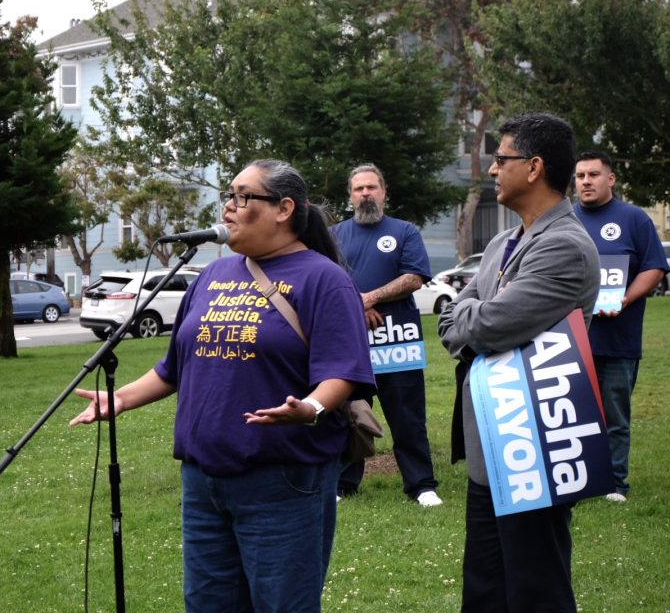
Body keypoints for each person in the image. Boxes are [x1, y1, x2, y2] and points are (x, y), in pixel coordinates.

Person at [71, 159, 375, 612]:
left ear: (284, 208)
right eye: (228, 196)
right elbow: (174, 367)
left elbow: (343, 373)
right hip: (203, 482)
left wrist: (309, 408)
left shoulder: (324, 280)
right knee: (208, 603)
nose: (229, 207)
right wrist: (120, 399)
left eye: (243, 196)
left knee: (282, 605)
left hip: (282, 479)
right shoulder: (212, 276)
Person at [438, 113, 600, 612]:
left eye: (500, 159)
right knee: (485, 588)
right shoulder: (502, 244)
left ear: (533, 168)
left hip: (537, 445)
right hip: (496, 442)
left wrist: (474, 313)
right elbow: (450, 320)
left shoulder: (565, 247)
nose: (491, 169)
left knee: (535, 589)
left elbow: (483, 326)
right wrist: (473, 313)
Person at [331, 163, 442, 507]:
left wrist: (371, 297)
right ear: (350, 196)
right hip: (351, 341)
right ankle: (343, 485)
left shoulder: (405, 231)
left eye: (371, 188)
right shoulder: (334, 234)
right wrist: (357, 305)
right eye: (358, 189)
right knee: (349, 413)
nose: (365, 193)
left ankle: (421, 485)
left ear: (384, 192)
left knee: (408, 415)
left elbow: (414, 278)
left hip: (397, 341)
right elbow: (326, 280)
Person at [573, 150, 668, 502]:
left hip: (618, 338)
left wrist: (623, 300)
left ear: (610, 179)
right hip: (568, 338)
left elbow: (654, 268)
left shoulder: (633, 219)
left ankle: (614, 483)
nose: (586, 181)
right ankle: (577, 480)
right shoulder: (563, 219)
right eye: (580, 175)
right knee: (574, 412)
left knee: (614, 412)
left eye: (593, 174)